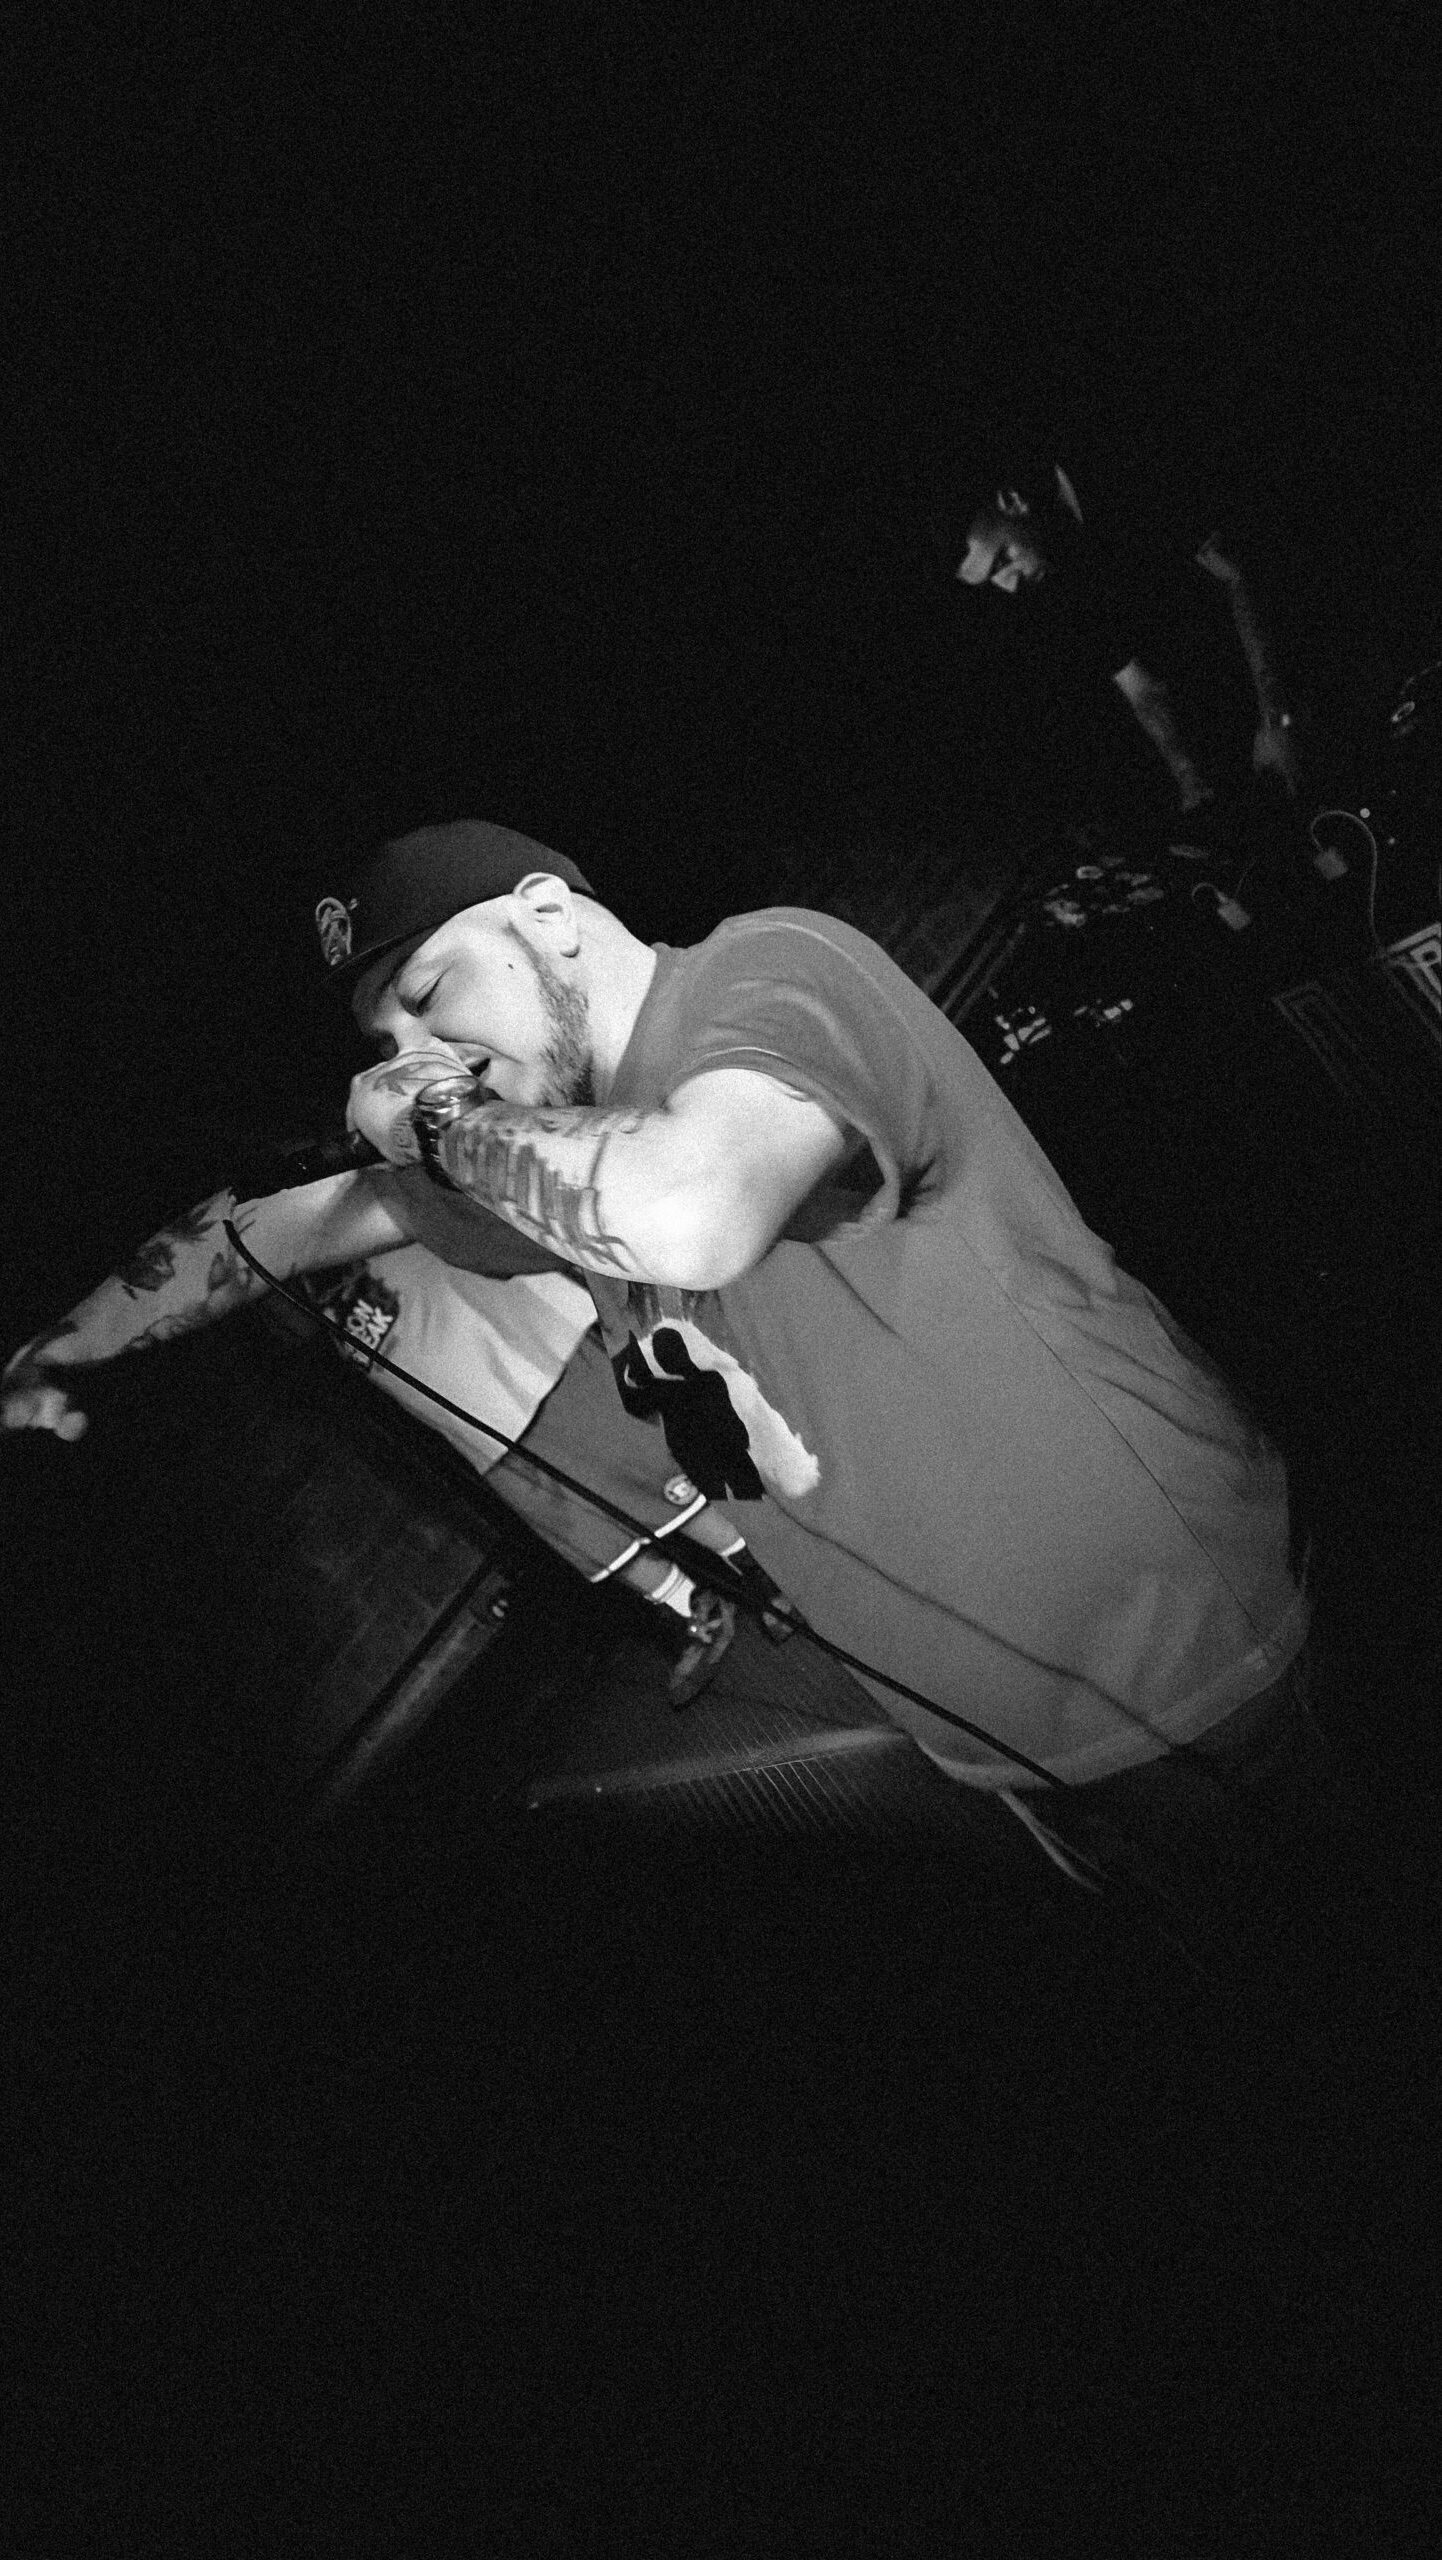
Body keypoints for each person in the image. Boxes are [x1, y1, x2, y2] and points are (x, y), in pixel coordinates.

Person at [313, 819, 1316, 1910]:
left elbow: (695, 1207)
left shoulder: (765, 970)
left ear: (548, 916)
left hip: (1191, 1664)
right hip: (994, 1738)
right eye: (385, 1045)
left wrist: (437, 1119)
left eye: (428, 991)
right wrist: (145, 1301)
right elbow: (291, 1228)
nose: (412, 1055)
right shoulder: (548, 1151)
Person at [0, 1182, 748, 1703]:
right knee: (590, 1529)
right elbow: (208, 1251)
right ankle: (695, 1610)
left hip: (538, 1353)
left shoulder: (366, 1151)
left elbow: (277, 1214)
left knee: (669, 1479)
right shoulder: (284, 1249)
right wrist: (34, 1369)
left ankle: (777, 1571)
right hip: (469, 1413)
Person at [953, 462, 1304, 820]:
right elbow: (1137, 685)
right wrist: (1192, 783)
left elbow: (1240, 576)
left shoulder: (1128, 483)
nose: (1010, 585)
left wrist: (1279, 720)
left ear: (1012, 501)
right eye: (992, 579)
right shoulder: (1059, 571)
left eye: (1002, 559)